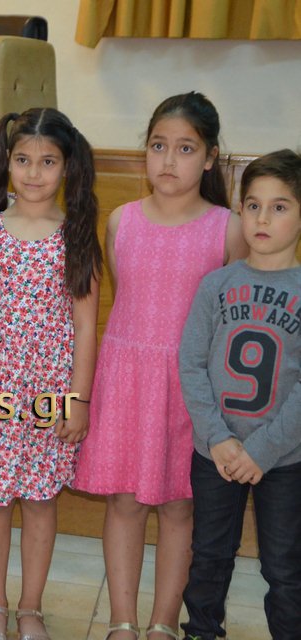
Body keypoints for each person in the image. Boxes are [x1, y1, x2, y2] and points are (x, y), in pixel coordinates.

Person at [73, 92, 248, 640]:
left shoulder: (227, 227)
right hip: (127, 379)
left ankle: (163, 622)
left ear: (210, 157)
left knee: (178, 506)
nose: (169, 160)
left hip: (191, 387)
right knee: (124, 501)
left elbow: (232, 317)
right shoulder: (121, 221)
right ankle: (123, 619)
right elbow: (126, 297)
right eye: (158, 146)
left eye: (185, 148)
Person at [0, 107, 103, 639]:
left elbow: (85, 326)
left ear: (67, 167)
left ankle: (31, 608)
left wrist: (78, 400)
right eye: (23, 160)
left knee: (40, 502)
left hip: (49, 392)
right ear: (7, 163)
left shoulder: (76, 236)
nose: (34, 172)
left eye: (47, 161)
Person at [179, 149, 301, 640]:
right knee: (209, 556)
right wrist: (217, 438)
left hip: (286, 459)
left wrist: (262, 449)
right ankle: (201, 631)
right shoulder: (216, 285)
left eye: (279, 206)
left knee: (285, 567)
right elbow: (191, 364)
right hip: (217, 453)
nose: (262, 218)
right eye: (253, 205)